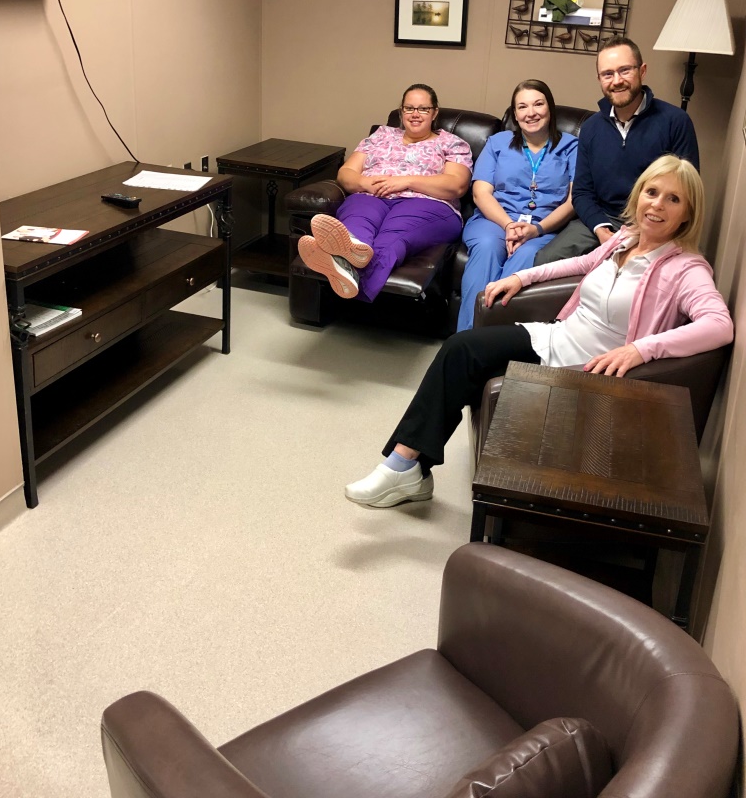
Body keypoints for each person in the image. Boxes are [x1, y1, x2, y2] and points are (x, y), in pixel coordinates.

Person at [345, 155, 732, 508]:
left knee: (466, 358)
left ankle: (403, 469)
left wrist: (642, 350)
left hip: (589, 369)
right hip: (557, 336)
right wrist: (521, 276)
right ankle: (406, 467)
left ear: (687, 214)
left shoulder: (687, 269)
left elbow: (719, 326)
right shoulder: (625, 239)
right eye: (652, 192)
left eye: (673, 200)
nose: (657, 205)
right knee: (460, 349)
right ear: (639, 194)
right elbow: (582, 262)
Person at [298, 84, 472, 303]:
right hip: (371, 195)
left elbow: (456, 185)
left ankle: (347, 273)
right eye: (409, 108)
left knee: (392, 238)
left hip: (427, 204)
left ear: (435, 112)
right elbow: (346, 173)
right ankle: (346, 256)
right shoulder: (381, 135)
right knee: (356, 227)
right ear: (401, 111)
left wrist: (406, 181)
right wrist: (365, 182)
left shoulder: (452, 143)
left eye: (423, 109)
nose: (415, 114)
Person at [533, 36, 699, 264]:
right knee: (546, 259)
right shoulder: (591, 128)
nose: (617, 80)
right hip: (600, 220)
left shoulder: (675, 122)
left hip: (652, 221)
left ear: (642, 70)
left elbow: (686, 191)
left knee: (632, 274)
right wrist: (601, 229)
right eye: (608, 74)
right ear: (599, 79)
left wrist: (645, 228)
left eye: (625, 70)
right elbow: (582, 193)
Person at [457, 80, 577, 332]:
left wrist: (538, 229)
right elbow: (481, 193)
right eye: (522, 107)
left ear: (550, 108)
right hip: (494, 221)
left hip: (544, 228)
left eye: (538, 104)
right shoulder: (497, 143)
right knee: (488, 248)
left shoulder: (571, 147)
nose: (530, 112)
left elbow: (574, 200)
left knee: (525, 257)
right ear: (514, 114)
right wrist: (509, 224)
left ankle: (491, 340)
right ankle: (466, 337)